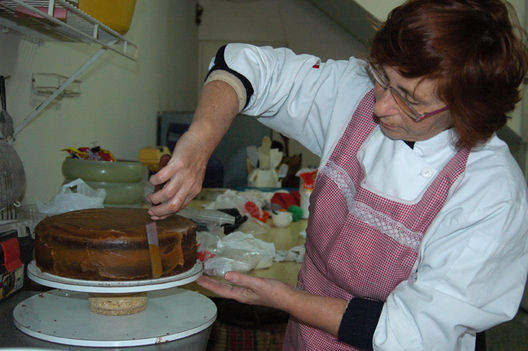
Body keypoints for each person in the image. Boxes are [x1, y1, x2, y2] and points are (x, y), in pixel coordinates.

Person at [147, 0, 528, 350]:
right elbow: (248, 67)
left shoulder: (489, 191)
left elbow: (414, 332)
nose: (379, 106)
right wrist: (199, 143)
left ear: (466, 111)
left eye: (410, 101)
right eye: (381, 77)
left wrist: (285, 299)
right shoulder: (356, 96)